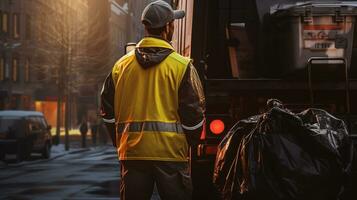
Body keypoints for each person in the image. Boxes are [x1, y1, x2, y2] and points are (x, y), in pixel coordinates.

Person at [101, 1, 205, 199]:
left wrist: (121, 141)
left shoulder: (120, 66)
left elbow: (107, 111)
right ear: (167, 27)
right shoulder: (182, 66)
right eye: (173, 23)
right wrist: (186, 144)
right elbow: (194, 115)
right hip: (170, 155)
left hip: (132, 154)